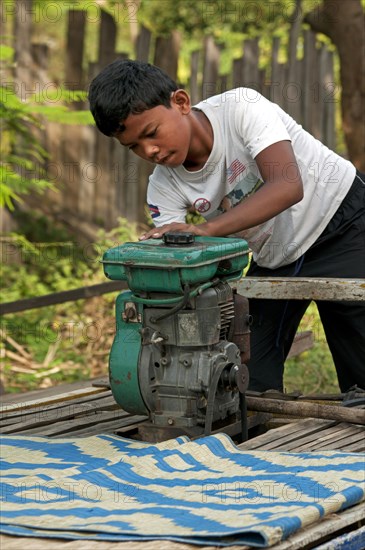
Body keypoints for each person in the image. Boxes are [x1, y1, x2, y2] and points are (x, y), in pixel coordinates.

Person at [89, 59, 365, 394]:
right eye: (133, 146)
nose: (149, 150)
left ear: (180, 102)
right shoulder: (163, 187)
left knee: (359, 372)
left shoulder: (241, 109)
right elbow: (181, 257)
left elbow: (288, 186)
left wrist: (206, 230)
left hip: (344, 224)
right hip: (274, 257)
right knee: (244, 381)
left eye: (151, 133)